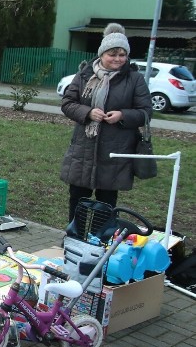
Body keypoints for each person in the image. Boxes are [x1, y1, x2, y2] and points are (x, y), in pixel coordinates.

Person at [60, 23, 152, 222]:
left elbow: (146, 112)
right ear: (102, 54)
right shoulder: (85, 74)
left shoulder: (134, 79)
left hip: (115, 152)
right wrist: (88, 112)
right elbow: (67, 103)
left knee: (106, 203)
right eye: (113, 54)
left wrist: (123, 115)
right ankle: (75, 238)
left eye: (122, 54)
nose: (118, 59)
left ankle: (100, 242)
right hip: (83, 149)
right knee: (78, 198)